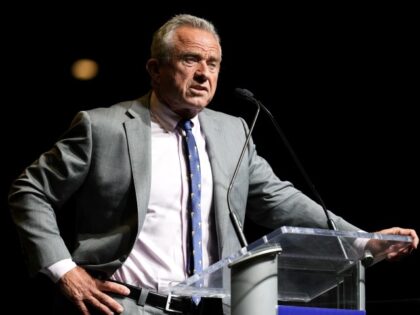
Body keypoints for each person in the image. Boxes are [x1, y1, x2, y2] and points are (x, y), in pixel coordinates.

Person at [8, 14, 418, 315]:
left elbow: (277, 199)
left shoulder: (232, 130)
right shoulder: (105, 127)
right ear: (155, 69)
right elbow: (29, 191)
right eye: (190, 60)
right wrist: (64, 270)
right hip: (126, 306)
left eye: (213, 63)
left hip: (220, 309)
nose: (204, 74)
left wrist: (362, 240)